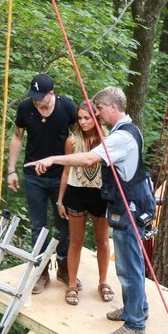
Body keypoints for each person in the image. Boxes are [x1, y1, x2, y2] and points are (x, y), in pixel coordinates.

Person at [24, 86, 156, 334]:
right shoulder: (129, 129)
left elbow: (87, 160)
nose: (98, 114)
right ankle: (136, 309)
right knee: (132, 264)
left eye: (100, 109)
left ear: (113, 107)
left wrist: (52, 159)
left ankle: (135, 323)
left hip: (130, 209)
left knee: (129, 268)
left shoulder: (121, 137)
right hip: (131, 204)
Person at [7, 74, 77, 294]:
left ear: (51, 94)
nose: (37, 101)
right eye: (34, 96)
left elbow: (78, 137)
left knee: (64, 224)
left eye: (41, 97)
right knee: (39, 225)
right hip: (33, 176)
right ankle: (41, 272)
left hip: (61, 176)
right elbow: (17, 137)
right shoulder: (25, 108)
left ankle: (64, 268)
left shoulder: (67, 107)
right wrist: (11, 170)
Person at [57, 102, 111, 306]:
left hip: (100, 194)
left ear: (97, 117)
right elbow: (65, 171)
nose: (83, 122)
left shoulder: (107, 141)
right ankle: (71, 284)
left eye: (87, 117)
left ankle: (103, 282)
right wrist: (60, 200)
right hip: (76, 193)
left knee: (102, 240)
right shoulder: (72, 141)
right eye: (80, 118)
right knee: (75, 241)